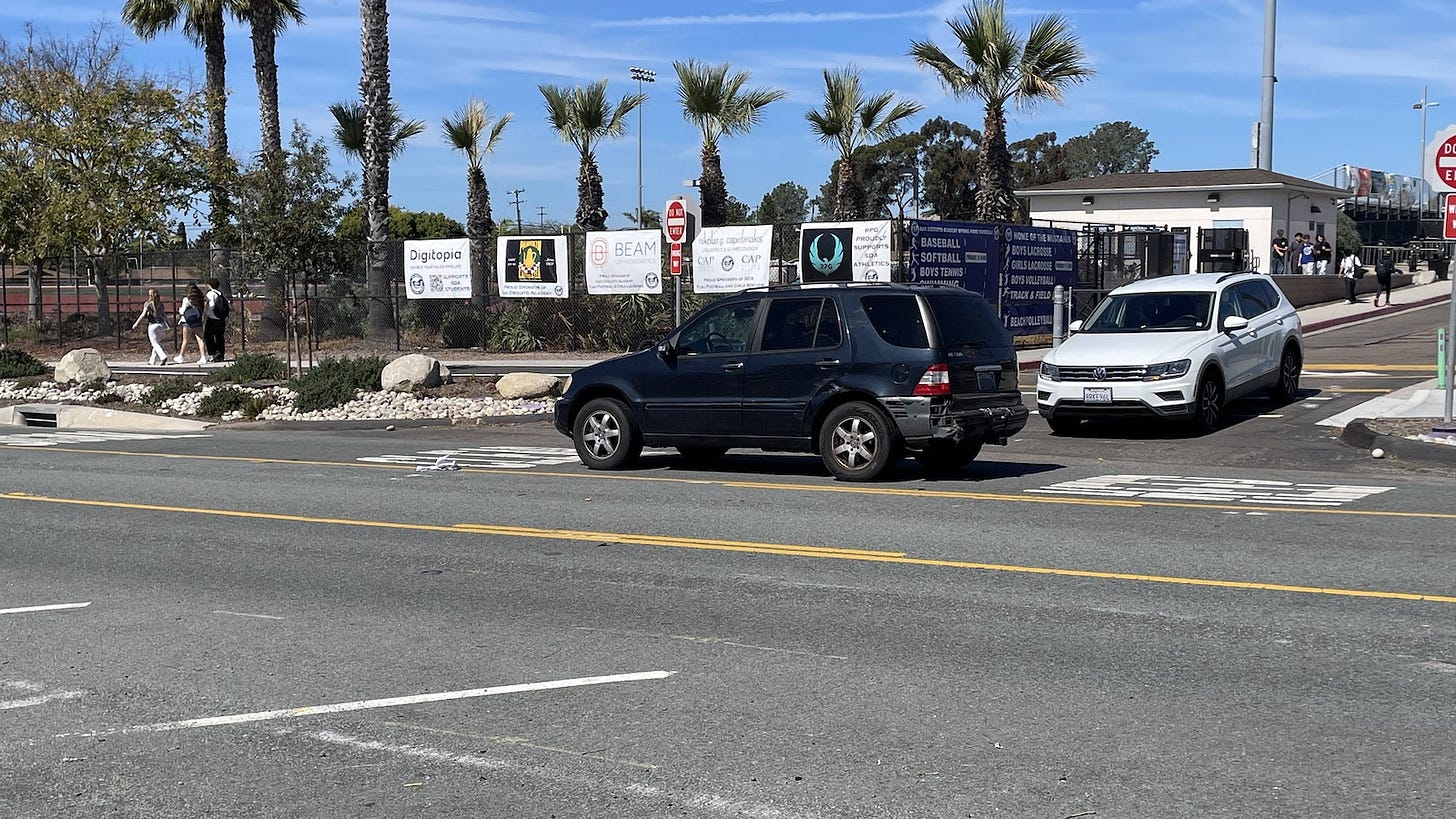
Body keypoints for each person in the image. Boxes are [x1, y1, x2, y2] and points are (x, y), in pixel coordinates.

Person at [131, 288, 171, 365]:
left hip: (153, 325)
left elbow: (143, 315)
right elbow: (164, 315)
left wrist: (136, 323)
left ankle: (163, 356)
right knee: (156, 341)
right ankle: (152, 361)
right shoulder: (160, 304)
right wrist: (168, 324)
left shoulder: (148, 303)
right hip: (161, 325)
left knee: (154, 343)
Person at [173, 284, 208, 364]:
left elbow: (183, 311)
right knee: (200, 338)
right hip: (197, 320)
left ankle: (181, 356)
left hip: (187, 321)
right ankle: (203, 356)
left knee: (185, 340)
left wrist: (180, 310)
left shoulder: (186, 299)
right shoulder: (200, 299)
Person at [203, 277, 228, 362]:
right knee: (219, 337)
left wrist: (207, 312)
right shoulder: (220, 293)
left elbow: (212, 304)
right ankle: (221, 354)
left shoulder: (210, 293)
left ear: (210, 285)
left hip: (213, 319)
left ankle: (214, 352)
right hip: (221, 319)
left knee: (207, 335)